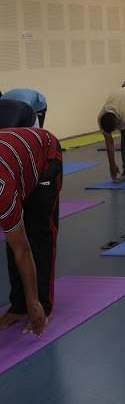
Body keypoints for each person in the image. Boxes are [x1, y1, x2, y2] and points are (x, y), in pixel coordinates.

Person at [0, 128, 62, 338]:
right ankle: (18, 307)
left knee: (39, 232)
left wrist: (33, 301)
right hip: (16, 162)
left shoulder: (2, 190)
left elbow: (22, 251)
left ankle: (43, 304)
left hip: (45, 155)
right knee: (13, 233)